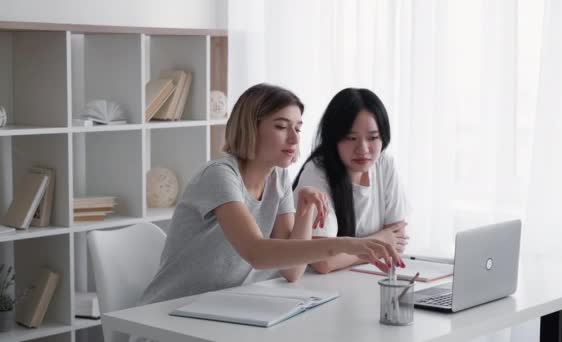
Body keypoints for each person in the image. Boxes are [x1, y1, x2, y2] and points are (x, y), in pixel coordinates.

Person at [138, 84, 403, 305]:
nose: (294, 139)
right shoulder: (219, 176)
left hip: (224, 308)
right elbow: (257, 253)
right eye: (281, 126)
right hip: (171, 314)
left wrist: (305, 210)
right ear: (251, 127)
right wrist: (347, 244)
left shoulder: (278, 178)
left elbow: (292, 270)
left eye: (298, 128)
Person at [293, 88, 409, 274]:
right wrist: (380, 241)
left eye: (372, 138)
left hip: (361, 279)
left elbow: (398, 238)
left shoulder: (384, 163)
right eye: (351, 138)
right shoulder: (317, 173)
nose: (363, 149)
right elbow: (322, 262)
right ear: (334, 139)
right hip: (314, 288)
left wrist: (352, 252)